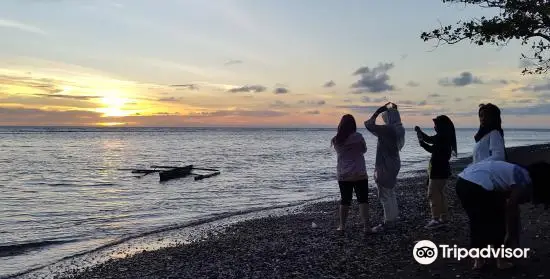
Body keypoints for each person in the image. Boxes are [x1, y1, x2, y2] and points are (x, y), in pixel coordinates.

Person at [455, 160, 550, 270]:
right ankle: (501, 260)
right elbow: (511, 206)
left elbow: (509, 203)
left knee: (476, 221)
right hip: (479, 184)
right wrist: (510, 234)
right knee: (497, 221)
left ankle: (479, 260)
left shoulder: (516, 171)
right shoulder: (524, 179)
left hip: (463, 181)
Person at [364, 102, 405, 233]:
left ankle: (388, 222)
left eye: (385, 117)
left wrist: (377, 111)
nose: (384, 119)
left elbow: (368, 125)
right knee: (390, 191)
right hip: (394, 162)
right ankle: (393, 218)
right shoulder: (399, 128)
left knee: (384, 194)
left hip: (385, 164)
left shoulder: (388, 130)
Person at [415, 115, 458, 229]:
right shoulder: (446, 137)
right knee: (441, 193)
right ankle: (444, 217)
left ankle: (435, 219)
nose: (434, 127)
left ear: (441, 126)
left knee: (433, 194)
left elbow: (430, 145)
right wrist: (421, 136)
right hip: (444, 169)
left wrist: (420, 136)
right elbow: (430, 143)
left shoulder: (441, 137)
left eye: (436, 125)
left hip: (437, 169)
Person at [332, 114, 369, 232]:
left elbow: (340, 152)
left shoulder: (336, 139)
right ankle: (366, 227)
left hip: (344, 174)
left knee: (345, 200)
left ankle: (342, 226)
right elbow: (364, 150)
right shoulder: (359, 137)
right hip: (360, 173)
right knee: (363, 200)